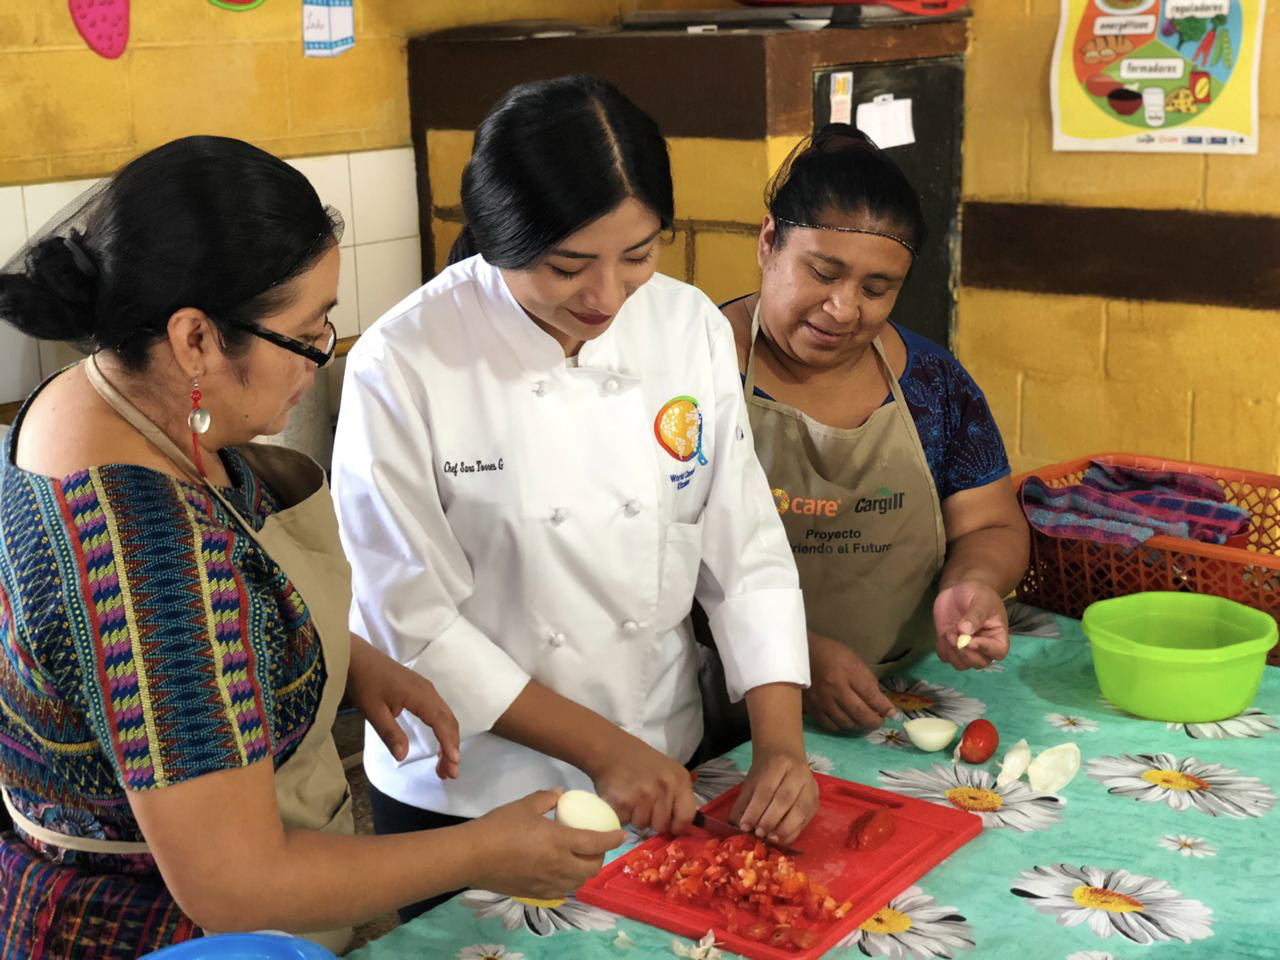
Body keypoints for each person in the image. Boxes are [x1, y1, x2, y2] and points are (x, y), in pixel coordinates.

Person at [0, 135, 621, 960]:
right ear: (195, 339)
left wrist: (344, 655)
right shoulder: (148, 555)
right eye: (306, 333)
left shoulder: (104, 397)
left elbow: (172, 651)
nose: (320, 355)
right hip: (167, 938)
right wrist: (488, 850)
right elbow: (238, 884)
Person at [330, 75, 819, 921]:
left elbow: (742, 546)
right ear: (498, 238)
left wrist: (780, 746)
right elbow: (410, 620)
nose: (606, 297)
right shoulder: (404, 361)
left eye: (638, 256)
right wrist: (604, 750)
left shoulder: (687, 327)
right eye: (567, 266)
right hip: (472, 794)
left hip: (661, 763)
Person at [712, 124, 1029, 738]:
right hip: (726, 719)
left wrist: (973, 584)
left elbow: (990, 524)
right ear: (769, 241)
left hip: (896, 702)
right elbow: (652, 566)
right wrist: (791, 656)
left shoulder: (933, 384)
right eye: (822, 273)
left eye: (876, 289)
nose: (844, 309)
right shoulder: (695, 375)